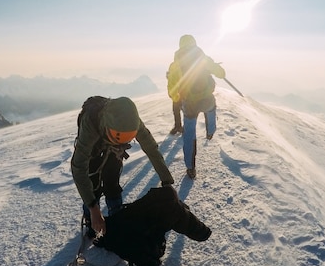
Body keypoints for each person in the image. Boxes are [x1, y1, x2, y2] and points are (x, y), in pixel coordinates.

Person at [71, 96, 175, 238]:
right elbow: (79, 168)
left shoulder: (133, 122)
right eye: (118, 138)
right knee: (92, 184)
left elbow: (151, 149)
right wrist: (94, 208)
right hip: (93, 149)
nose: (122, 143)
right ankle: (91, 220)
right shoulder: (90, 123)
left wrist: (167, 180)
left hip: (114, 151)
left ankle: (116, 219)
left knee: (112, 182)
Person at [167, 34, 226, 179]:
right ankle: (210, 131)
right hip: (207, 99)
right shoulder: (203, 58)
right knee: (211, 109)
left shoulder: (175, 65)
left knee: (189, 135)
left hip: (190, 104)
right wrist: (215, 67)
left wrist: (178, 99)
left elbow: (172, 90)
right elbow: (221, 73)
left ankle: (191, 168)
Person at [166, 61, 183, 134]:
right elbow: (171, 79)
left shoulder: (181, 65)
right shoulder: (173, 65)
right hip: (175, 93)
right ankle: (178, 126)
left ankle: (182, 127)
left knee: (186, 112)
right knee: (176, 111)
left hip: (182, 92)